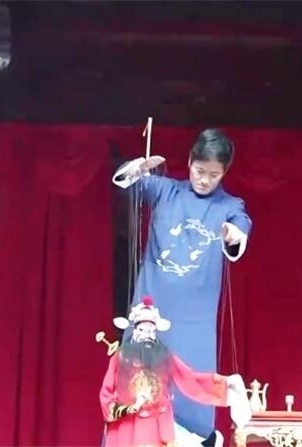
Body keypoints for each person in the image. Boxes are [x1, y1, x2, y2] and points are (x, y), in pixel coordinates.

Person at [112, 128, 252, 439]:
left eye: (213, 175)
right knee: (137, 386)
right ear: (189, 161)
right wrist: (136, 168)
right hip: (152, 309)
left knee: (194, 391)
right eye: (199, 171)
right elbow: (127, 182)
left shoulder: (228, 206)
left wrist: (235, 234)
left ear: (224, 172)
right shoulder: (166, 191)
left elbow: (242, 224)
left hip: (195, 319)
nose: (204, 180)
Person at [100, 297, 251, 447]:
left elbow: (190, 380)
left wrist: (226, 385)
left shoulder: (164, 357)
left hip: (157, 425)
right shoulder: (120, 357)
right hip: (128, 427)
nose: (147, 334)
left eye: (151, 330)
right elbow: (106, 394)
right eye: (142, 330)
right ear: (134, 331)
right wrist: (125, 409)